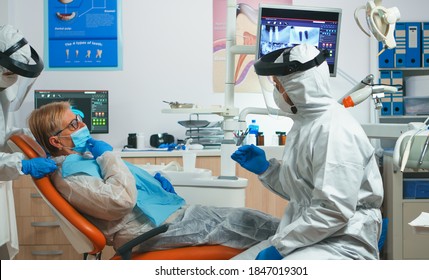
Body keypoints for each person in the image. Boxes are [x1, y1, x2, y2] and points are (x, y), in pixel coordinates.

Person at [27, 101, 279, 254]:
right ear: (56, 141)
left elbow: (119, 182)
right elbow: (119, 201)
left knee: (255, 220)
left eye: (79, 119)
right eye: (73, 125)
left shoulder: (82, 159)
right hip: (150, 232)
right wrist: (109, 156)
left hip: (166, 219)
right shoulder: (72, 176)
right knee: (257, 226)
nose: (82, 126)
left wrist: (155, 185)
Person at [231, 44, 384, 260]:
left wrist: (280, 247)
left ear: (297, 86)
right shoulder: (305, 124)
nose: (276, 92)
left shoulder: (335, 132)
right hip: (309, 235)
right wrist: (268, 169)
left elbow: (333, 210)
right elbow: (304, 192)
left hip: (342, 242)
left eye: (278, 84)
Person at [0, 25, 57, 260]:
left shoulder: (3, 91)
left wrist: (34, 135)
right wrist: (22, 165)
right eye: (9, 73)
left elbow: (3, 132)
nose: (13, 79)